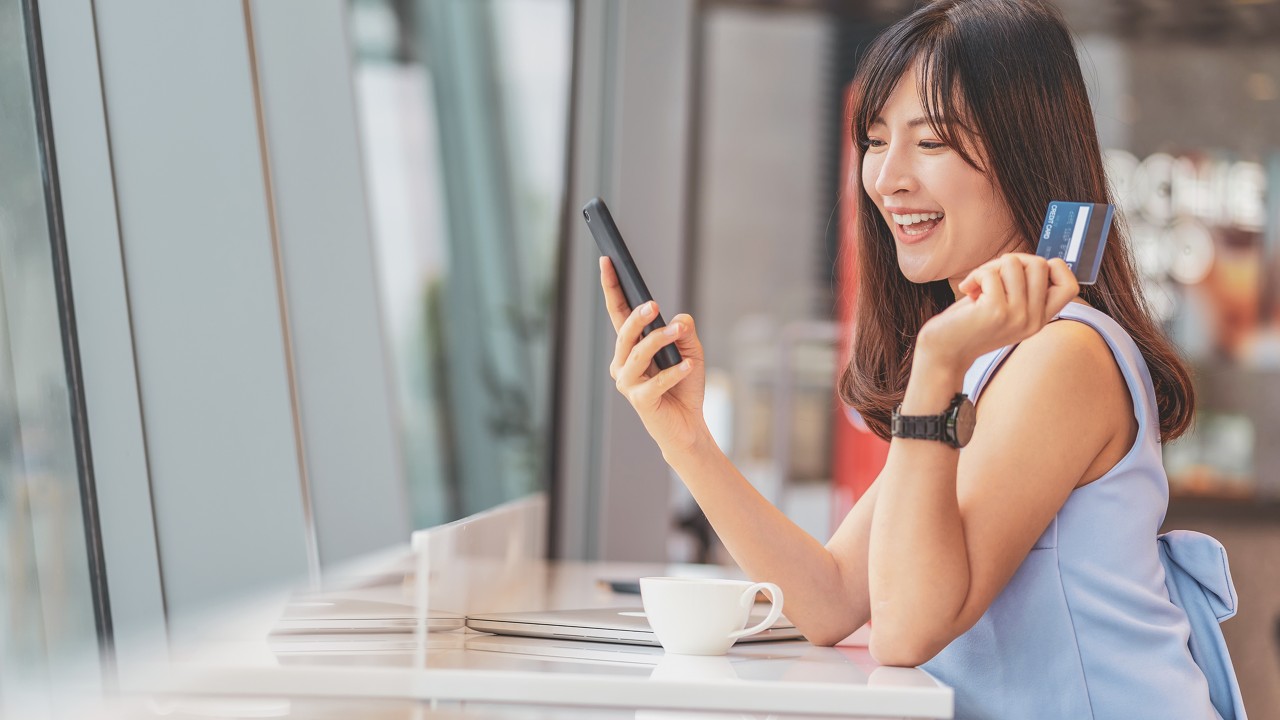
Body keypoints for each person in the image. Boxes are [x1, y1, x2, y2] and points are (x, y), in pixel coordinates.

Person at [597, 1, 1247, 718]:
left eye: (931, 142)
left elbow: (904, 629)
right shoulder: (991, 357)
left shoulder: (1064, 355)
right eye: (876, 141)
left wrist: (935, 362)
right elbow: (832, 596)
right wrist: (682, 436)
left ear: (1025, 152)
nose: (888, 178)